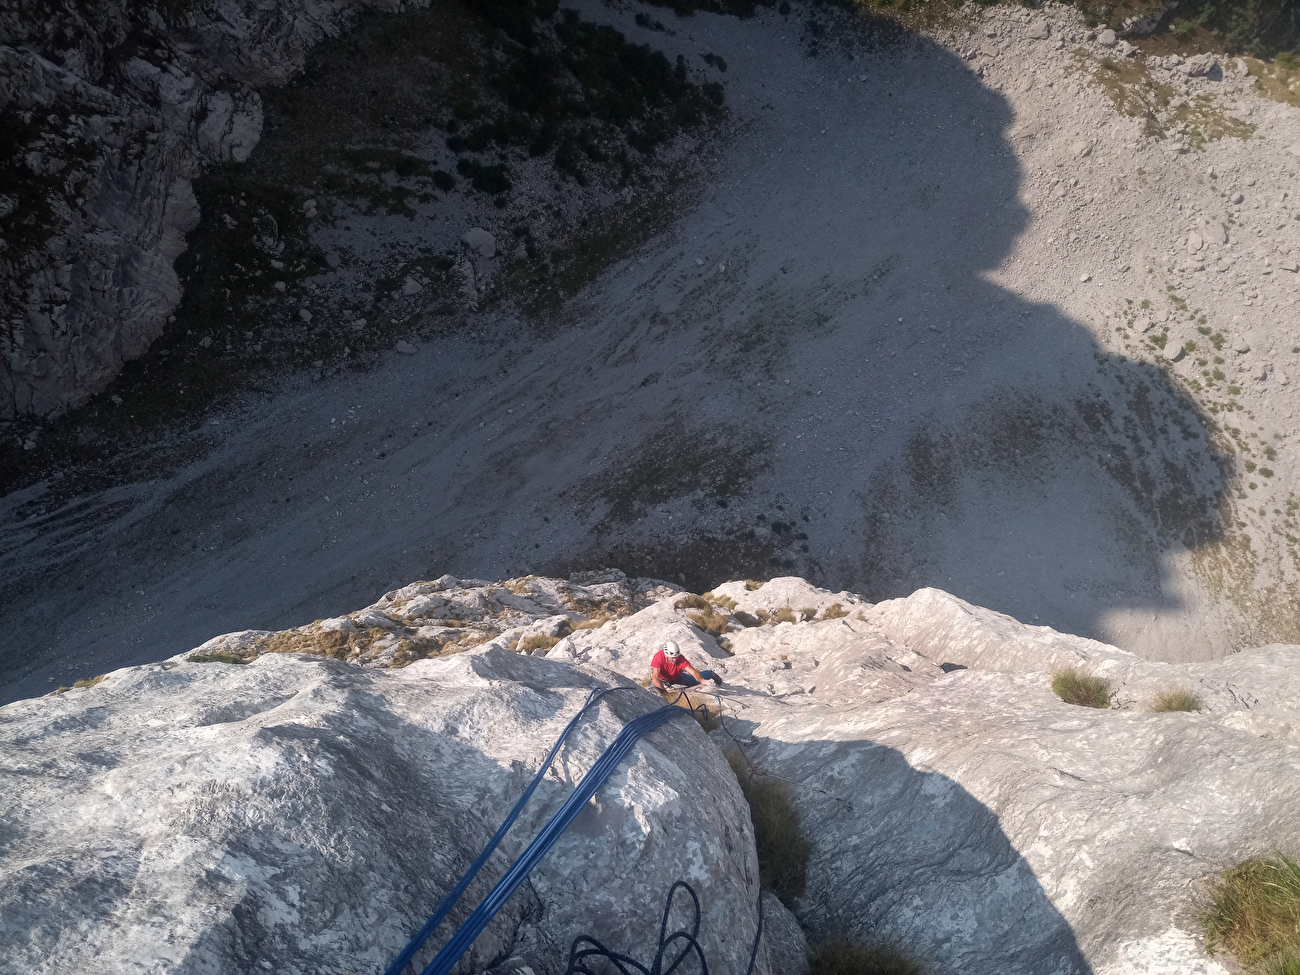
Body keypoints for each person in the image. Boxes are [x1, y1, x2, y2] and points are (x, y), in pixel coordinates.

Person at [650, 640, 722, 694]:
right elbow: (655, 679)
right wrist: (666, 695)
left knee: (694, 681)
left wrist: (702, 680)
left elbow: (693, 671)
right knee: (653, 691)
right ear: (666, 655)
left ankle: (709, 673)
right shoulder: (658, 657)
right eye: (672, 658)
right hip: (662, 680)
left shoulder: (680, 658)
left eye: (676, 657)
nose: (675, 660)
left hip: (677, 677)